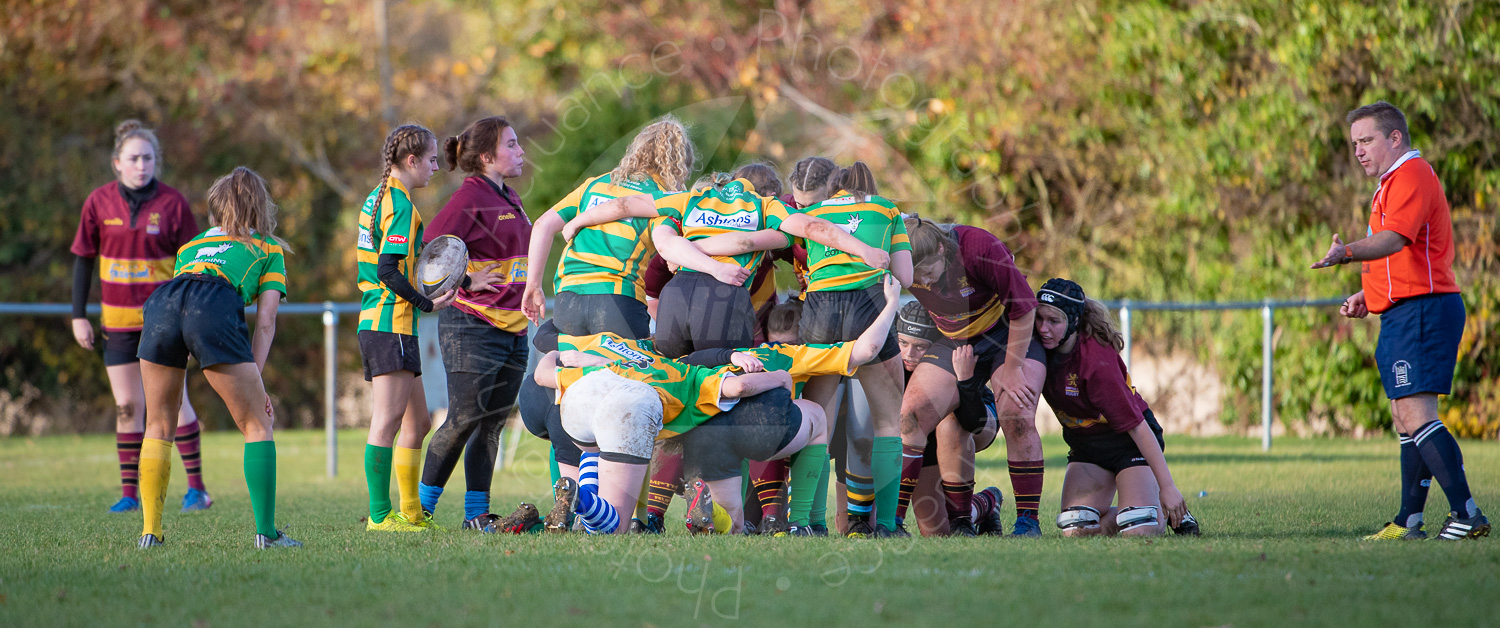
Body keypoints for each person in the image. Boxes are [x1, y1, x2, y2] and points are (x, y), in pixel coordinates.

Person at [1311, 101, 1488, 541]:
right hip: (1405, 309)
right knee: (1402, 414)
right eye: (1354, 144)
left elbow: (1395, 240)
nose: (1358, 151)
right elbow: (1403, 259)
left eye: (1367, 140)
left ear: (1395, 138)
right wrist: (1367, 296)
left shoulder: (1411, 174)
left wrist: (1346, 253)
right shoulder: (1391, 182)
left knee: (1415, 411)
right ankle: (1409, 520)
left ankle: (1468, 514)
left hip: (1425, 310)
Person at [134, 167, 298, 549]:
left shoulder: (189, 247)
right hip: (213, 301)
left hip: (163, 302)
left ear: (214, 211)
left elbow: (185, 303)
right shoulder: (268, 248)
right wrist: (256, 378)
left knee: (158, 424)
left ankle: (150, 533)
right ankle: (267, 535)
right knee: (258, 424)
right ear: (260, 207)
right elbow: (266, 321)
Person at [70, 120, 211, 514]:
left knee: (175, 402)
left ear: (156, 162)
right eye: (133, 158)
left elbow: (195, 264)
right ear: (117, 163)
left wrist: (190, 316)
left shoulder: (173, 204)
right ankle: (129, 494)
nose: (141, 165)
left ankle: (197, 490)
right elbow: (82, 260)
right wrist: (78, 316)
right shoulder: (98, 203)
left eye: (148, 158)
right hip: (116, 323)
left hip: (164, 322)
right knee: (128, 407)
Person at [531, 346, 792, 535]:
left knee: (596, 448)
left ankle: (580, 499)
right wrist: (780, 377)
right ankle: (580, 498)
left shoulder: (623, 363)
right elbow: (739, 387)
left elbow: (542, 376)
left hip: (583, 400)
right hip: (630, 405)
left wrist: (553, 353)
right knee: (616, 525)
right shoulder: (690, 374)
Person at [415, 116, 532, 530]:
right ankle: (419, 512)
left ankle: (476, 516)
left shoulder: (509, 196)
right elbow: (428, 250)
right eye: (513, 145)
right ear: (487, 157)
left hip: (514, 329)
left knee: (492, 423)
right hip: (472, 327)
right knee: (463, 418)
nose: (521, 152)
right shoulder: (470, 198)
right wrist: (465, 279)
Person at [787, 159, 911, 538]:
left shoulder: (811, 211)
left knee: (816, 423)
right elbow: (904, 277)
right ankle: (887, 525)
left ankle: (807, 523)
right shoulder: (888, 209)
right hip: (870, 307)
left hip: (820, 311)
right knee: (889, 422)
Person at [901, 215, 1047, 536]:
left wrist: (1011, 368)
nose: (921, 282)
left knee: (1016, 413)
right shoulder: (899, 248)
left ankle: (1027, 522)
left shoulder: (979, 247)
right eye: (914, 276)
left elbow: (1023, 307)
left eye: (926, 271)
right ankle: (940, 523)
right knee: (913, 417)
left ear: (941, 249)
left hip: (1006, 334)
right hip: (955, 340)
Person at [522, 116, 719, 338]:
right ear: (681, 164)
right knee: (627, 372)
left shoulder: (595, 184)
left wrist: (533, 285)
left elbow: (542, 224)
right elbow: (671, 247)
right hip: (618, 297)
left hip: (568, 297)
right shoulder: (665, 198)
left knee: (573, 371)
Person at [1033, 279, 1195, 538]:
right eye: (1039, 318)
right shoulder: (1035, 348)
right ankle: (1134, 512)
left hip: (1127, 443)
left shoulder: (1096, 364)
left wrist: (1168, 488)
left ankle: (1160, 512)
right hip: (1087, 448)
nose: (1043, 328)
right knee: (1075, 530)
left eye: (1054, 321)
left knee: (1139, 530)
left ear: (1074, 321)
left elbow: (1139, 428)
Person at [356, 123, 457, 532]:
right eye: (432, 160)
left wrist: (463, 280)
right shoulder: (398, 203)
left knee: (418, 422)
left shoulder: (377, 197)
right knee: (387, 421)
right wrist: (426, 303)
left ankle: (411, 514)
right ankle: (380, 518)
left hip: (393, 325)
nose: (436, 167)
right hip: (389, 323)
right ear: (411, 161)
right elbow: (388, 270)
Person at [890, 302, 1005, 537]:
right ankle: (985, 504)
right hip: (922, 439)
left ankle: (962, 519)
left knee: (950, 422)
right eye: (903, 343)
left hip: (977, 419)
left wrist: (964, 380)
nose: (909, 354)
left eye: (920, 347)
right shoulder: (890, 360)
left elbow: (972, 422)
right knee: (937, 533)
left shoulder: (946, 363)